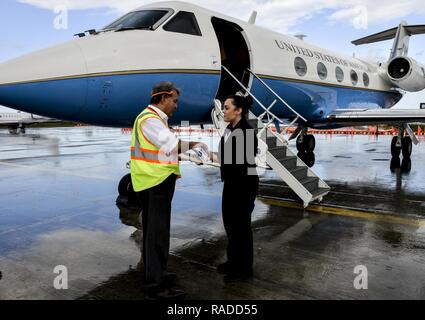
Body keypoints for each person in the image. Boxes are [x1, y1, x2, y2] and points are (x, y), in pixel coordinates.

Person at [130, 81, 208, 299]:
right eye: (174, 101)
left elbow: (165, 149)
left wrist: (189, 154)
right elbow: (172, 145)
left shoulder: (151, 119)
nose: (176, 106)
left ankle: (156, 274)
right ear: (164, 98)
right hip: (155, 183)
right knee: (157, 236)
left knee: (154, 234)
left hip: (151, 181)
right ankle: (155, 287)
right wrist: (194, 144)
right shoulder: (151, 120)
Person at [216, 93, 259, 282]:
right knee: (231, 225)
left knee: (241, 228)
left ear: (239, 110)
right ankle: (232, 261)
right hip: (231, 183)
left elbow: (241, 166)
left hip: (243, 185)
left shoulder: (246, 132)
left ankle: (244, 268)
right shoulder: (229, 129)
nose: (223, 111)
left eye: (226, 107)